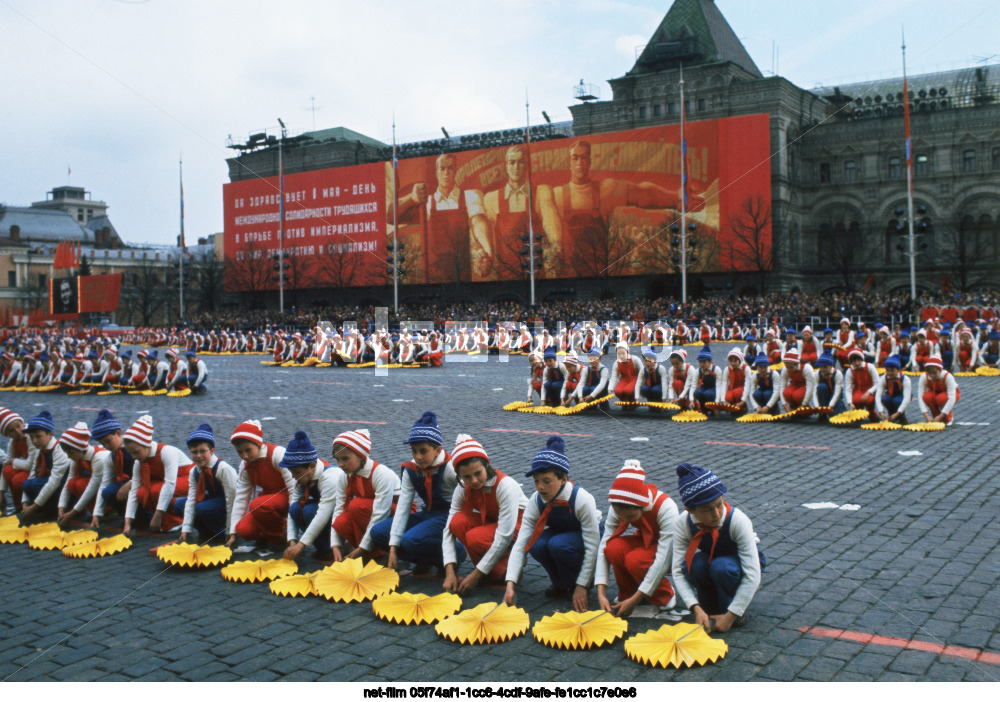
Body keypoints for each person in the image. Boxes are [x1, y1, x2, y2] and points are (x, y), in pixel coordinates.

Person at [536, 140, 688, 277]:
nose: (579, 163)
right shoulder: (555, 196)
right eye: (575, 158)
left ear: (589, 161)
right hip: (567, 275)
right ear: (568, 163)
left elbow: (643, 193)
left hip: (603, 270)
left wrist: (676, 198)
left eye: (584, 158)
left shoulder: (607, 190)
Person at [504, 436, 602, 611]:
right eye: (536, 481)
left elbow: (593, 545)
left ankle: (578, 582)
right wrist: (510, 584)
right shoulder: (537, 500)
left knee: (558, 545)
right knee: (536, 544)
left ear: (563, 479)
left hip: (585, 537)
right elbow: (521, 543)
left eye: (546, 481)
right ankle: (561, 583)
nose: (540, 487)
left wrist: (583, 585)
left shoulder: (582, 499)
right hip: (562, 536)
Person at [672, 462, 763, 633]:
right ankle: (709, 608)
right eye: (707, 509)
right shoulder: (682, 523)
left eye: (719, 504)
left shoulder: (738, 520)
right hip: (711, 561)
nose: (716, 514)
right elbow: (677, 570)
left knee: (722, 568)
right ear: (690, 510)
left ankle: (734, 610)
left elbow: (753, 574)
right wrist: (695, 607)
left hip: (735, 565)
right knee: (695, 565)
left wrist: (731, 615)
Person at [371, 411, 462, 573]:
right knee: (378, 533)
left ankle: (455, 554)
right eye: (414, 451)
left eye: (423, 451)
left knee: (410, 540)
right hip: (427, 513)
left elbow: (467, 498)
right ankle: (425, 560)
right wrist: (392, 548)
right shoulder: (411, 470)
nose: (418, 457)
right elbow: (403, 508)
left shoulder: (450, 468)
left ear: (437, 449)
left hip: (449, 516)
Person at [442, 433, 527, 596]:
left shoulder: (506, 485)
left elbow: (504, 536)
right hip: (491, 522)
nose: (473, 481)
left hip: (517, 525)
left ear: (486, 466)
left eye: (478, 473)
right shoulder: (462, 487)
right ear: (459, 476)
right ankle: (490, 571)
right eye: (466, 476)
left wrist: (475, 576)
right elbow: (448, 529)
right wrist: (449, 571)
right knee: (457, 522)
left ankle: (510, 566)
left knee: (476, 537)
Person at [595, 460, 679, 619]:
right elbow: (604, 544)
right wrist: (601, 592)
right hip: (646, 542)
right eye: (621, 516)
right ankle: (627, 592)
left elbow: (663, 558)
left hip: (671, 549)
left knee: (636, 560)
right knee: (613, 547)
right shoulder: (619, 507)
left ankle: (665, 595)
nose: (625, 519)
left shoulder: (667, 508)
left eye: (631, 517)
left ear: (643, 506)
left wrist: (635, 601)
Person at [395, 153, 491, 283]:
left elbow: (478, 222)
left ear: (455, 170)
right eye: (442, 168)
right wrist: (410, 199)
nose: (446, 173)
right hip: (433, 278)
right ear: (436, 172)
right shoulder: (426, 202)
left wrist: (485, 250)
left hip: (461, 276)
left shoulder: (470, 196)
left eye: (450, 168)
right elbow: (390, 216)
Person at [483, 144, 561, 280]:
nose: (516, 167)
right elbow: (485, 241)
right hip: (505, 274)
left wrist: (556, 247)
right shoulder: (491, 198)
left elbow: (551, 223)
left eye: (520, 162)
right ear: (505, 166)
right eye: (512, 162)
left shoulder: (541, 193)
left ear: (527, 165)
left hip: (535, 273)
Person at [329, 428, 400, 561]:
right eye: (337, 459)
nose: (340, 464)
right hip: (368, 512)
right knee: (340, 522)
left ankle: (375, 551)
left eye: (345, 458)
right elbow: (338, 509)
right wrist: (335, 545)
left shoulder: (381, 474)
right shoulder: (345, 476)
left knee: (356, 505)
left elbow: (380, 514)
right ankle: (367, 549)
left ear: (361, 456)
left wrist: (363, 548)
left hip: (394, 513)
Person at [121, 415, 193, 534]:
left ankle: (177, 520)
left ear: (146, 445)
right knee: (142, 492)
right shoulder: (139, 461)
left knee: (156, 490)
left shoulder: (167, 452)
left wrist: (157, 515)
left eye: (136, 452)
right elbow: (134, 490)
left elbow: (169, 485)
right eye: (130, 453)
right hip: (167, 482)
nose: (133, 457)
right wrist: (127, 523)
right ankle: (166, 521)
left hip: (188, 478)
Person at [228, 420, 293, 549]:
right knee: (243, 530)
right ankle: (268, 532)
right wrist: (233, 533)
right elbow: (241, 497)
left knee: (257, 505)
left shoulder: (277, 453)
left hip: (286, 496)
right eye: (239, 452)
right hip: (267, 501)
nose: (244, 456)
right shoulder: (245, 465)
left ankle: (280, 535)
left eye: (248, 450)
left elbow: (294, 488)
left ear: (258, 444)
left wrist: (292, 529)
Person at [176, 424, 237, 544]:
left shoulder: (223, 469)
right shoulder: (194, 471)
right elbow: (191, 498)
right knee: (179, 504)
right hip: (215, 503)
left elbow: (233, 500)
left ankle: (220, 532)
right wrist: (186, 528)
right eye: (194, 452)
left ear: (212, 451)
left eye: (202, 451)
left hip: (230, 504)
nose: (198, 456)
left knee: (203, 508)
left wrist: (230, 531)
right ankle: (206, 531)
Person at [281, 431, 337, 562]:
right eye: (291, 472)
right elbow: (291, 509)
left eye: (297, 472)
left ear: (312, 466)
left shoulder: (330, 477)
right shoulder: (303, 477)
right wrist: (292, 542)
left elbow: (323, 513)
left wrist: (301, 545)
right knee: (295, 509)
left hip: (343, 518)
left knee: (308, 512)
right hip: (329, 516)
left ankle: (336, 547)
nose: (294, 476)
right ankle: (324, 549)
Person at [19, 411, 72, 524]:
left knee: (35, 484)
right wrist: (25, 503)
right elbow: (31, 475)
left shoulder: (59, 450)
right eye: (31, 437)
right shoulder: (40, 450)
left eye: (38, 436)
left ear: (50, 434)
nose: (34, 441)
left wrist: (33, 507)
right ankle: (46, 509)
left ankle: (58, 509)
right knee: (27, 484)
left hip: (65, 489)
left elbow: (53, 483)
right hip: (49, 486)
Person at [56, 422, 112, 528]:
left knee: (81, 484)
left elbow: (92, 487)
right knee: (73, 483)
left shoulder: (99, 457)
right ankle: (95, 512)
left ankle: (109, 511)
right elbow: (68, 483)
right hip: (100, 484)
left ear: (80, 448)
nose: (68, 457)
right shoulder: (77, 456)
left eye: (70, 453)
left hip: (111, 483)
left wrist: (73, 513)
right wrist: (61, 508)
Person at [90, 409, 138, 525]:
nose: (106, 446)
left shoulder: (135, 449)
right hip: (130, 485)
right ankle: (129, 516)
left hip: (143, 483)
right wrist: (97, 514)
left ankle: (142, 516)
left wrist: (130, 483)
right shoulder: (111, 457)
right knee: (108, 492)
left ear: (118, 433)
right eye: (103, 443)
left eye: (108, 441)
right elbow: (104, 483)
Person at [0, 408, 29, 514]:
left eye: (18, 426)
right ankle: (18, 507)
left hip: (42, 470)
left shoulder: (31, 436)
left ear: (22, 422)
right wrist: (1, 492)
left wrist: (13, 461)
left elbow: (32, 465)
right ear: (6, 434)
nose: (18, 431)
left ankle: (30, 505)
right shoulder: (13, 442)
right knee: (8, 470)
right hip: (30, 467)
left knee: (18, 479)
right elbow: (6, 466)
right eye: (12, 430)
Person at [918, 355, 960, 426]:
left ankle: (948, 417)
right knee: (927, 397)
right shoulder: (924, 377)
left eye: (935, 373)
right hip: (934, 393)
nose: (932, 375)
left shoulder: (948, 376)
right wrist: (926, 416)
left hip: (951, 394)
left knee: (941, 398)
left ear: (940, 370)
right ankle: (935, 416)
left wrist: (941, 415)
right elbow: (920, 396)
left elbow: (951, 397)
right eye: (929, 373)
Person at [844, 349, 879, 418]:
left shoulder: (870, 367)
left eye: (859, 360)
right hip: (859, 390)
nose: (857, 363)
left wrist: (869, 392)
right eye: (854, 361)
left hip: (871, 389)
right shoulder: (849, 371)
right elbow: (848, 389)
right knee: (856, 400)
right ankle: (858, 411)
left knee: (869, 400)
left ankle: (871, 412)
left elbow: (878, 383)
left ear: (862, 360)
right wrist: (850, 403)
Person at [875, 356, 911, 424]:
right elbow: (878, 396)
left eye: (892, 370)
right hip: (890, 395)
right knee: (885, 399)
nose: (890, 373)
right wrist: (881, 412)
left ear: (898, 370)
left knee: (896, 401)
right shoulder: (883, 379)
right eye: (887, 370)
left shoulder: (905, 379)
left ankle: (901, 415)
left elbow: (907, 398)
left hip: (901, 396)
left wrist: (898, 413)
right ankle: (891, 414)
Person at [609, 341, 642, 406]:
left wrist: (642, 382)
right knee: (618, 391)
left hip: (635, 378)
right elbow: (614, 377)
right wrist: (610, 388)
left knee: (628, 390)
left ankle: (632, 401)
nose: (621, 356)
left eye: (623, 353)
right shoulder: (616, 363)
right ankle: (624, 402)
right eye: (619, 354)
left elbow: (642, 371)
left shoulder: (635, 359)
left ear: (627, 352)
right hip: (624, 379)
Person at [812, 353, 845, 419]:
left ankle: (841, 407)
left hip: (835, 396)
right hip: (823, 395)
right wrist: (817, 407)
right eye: (820, 367)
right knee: (821, 387)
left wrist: (830, 407)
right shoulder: (817, 374)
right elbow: (815, 391)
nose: (822, 369)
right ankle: (822, 412)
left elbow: (837, 393)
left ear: (831, 366)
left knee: (835, 415)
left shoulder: (837, 374)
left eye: (825, 367)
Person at [692, 346, 722, 410]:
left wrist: (717, 402)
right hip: (704, 388)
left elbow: (719, 386)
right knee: (697, 392)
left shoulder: (716, 370)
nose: (702, 364)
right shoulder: (698, 371)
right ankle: (703, 408)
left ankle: (712, 408)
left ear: (710, 362)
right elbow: (694, 385)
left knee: (708, 394)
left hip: (713, 389)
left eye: (704, 362)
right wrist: (692, 400)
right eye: (700, 362)